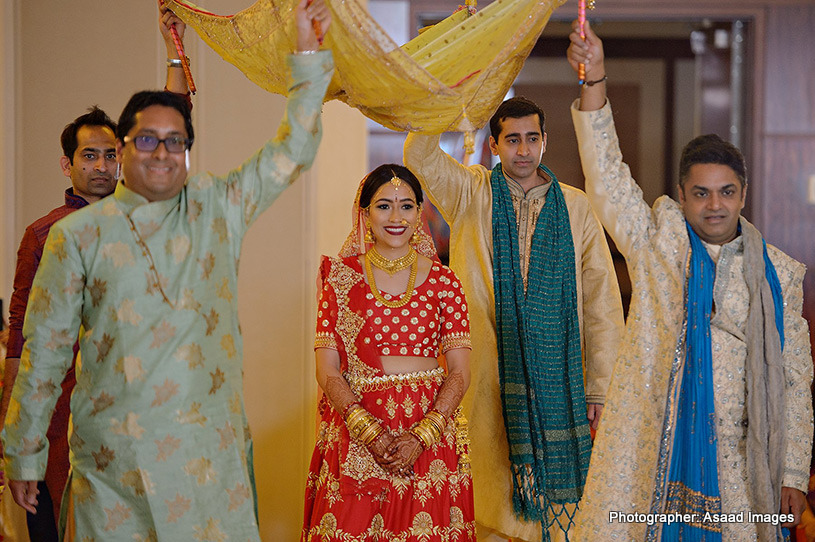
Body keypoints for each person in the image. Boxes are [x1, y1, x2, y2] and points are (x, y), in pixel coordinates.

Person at [1, 0, 333, 539]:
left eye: (174, 140)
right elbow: (46, 351)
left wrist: (307, 53)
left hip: (208, 464)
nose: (161, 152)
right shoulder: (76, 235)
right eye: (146, 140)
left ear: (187, 151)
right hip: (113, 471)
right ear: (123, 148)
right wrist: (23, 453)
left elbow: (293, 149)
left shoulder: (217, 206)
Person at [567, 19, 813, 541]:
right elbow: (607, 175)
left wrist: (793, 472)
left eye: (726, 191)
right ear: (682, 195)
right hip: (658, 446)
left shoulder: (781, 275)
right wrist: (596, 79)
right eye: (701, 193)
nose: (715, 204)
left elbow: (794, 380)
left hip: (742, 465)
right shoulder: (659, 245)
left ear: (743, 194)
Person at [0, 5, 191, 539]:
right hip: (65, 411)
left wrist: (176, 50)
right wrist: (18, 441)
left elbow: (172, 119)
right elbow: (19, 339)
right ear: (68, 164)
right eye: (91, 155)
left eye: (112, 154)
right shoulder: (45, 235)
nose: (103, 165)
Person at [403, 95, 625, 541]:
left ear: (545, 142)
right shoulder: (470, 192)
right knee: (487, 496)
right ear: (493, 146)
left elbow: (601, 301)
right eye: (512, 140)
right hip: (485, 369)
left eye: (532, 139)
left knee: (557, 515)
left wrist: (601, 385)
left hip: (558, 381)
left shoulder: (575, 206)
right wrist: (453, 86)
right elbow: (418, 155)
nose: (523, 150)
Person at [301, 164, 476, 541]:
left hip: (428, 433)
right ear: (364, 214)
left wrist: (423, 435)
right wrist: (369, 431)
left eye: (407, 206)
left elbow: (460, 372)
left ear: (419, 213)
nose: (396, 217)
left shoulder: (446, 281)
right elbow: (327, 370)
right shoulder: (340, 277)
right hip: (357, 428)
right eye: (384, 206)